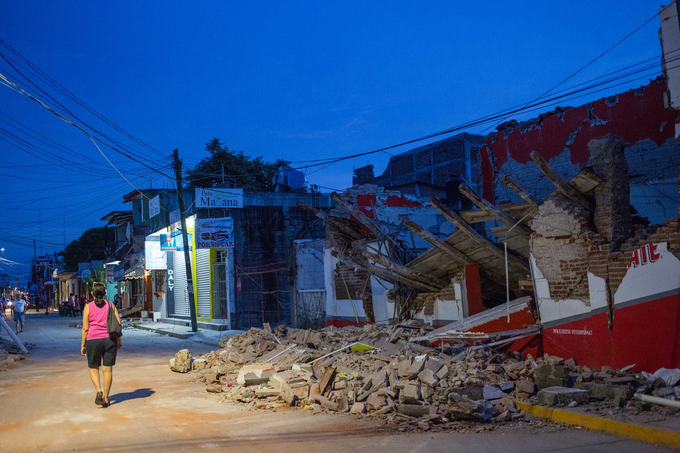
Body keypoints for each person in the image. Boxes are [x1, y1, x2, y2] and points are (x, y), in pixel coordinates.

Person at [81, 282, 121, 408]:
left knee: (94, 367)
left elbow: (85, 328)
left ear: (92, 294)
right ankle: (106, 398)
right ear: (105, 293)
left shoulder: (88, 307)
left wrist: (83, 344)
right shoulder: (110, 304)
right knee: (107, 369)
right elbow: (118, 324)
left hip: (93, 341)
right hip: (110, 340)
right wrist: (119, 340)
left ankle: (98, 390)